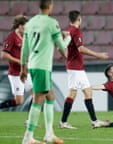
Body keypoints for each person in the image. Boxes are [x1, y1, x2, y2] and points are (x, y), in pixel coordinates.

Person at [20, 0, 71, 144]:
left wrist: (23, 68)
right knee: (38, 99)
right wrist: (68, 38)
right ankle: (28, 137)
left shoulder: (30, 23)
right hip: (42, 66)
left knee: (50, 96)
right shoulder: (51, 23)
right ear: (50, 6)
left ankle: (49, 134)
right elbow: (61, 47)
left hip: (34, 65)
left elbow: (24, 49)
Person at [59, 10, 109, 129]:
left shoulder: (68, 32)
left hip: (76, 67)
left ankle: (94, 121)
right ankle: (63, 122)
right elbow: (81, 49)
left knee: (87, 92)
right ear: (79, 19)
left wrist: (67, 57)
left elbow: (60, 47)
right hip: (75, 68)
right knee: (73, 93)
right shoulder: (76, 31)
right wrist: (98, 55)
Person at [0, 15, 33, 112]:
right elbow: (4, 55)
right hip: (15, 74)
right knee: (19, 101)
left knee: (36, 95)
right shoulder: (11, 37)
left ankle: (30, 120)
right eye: (26, 27)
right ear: (20, 26)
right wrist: (19, 61)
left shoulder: (25, 37)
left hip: (25, 72)